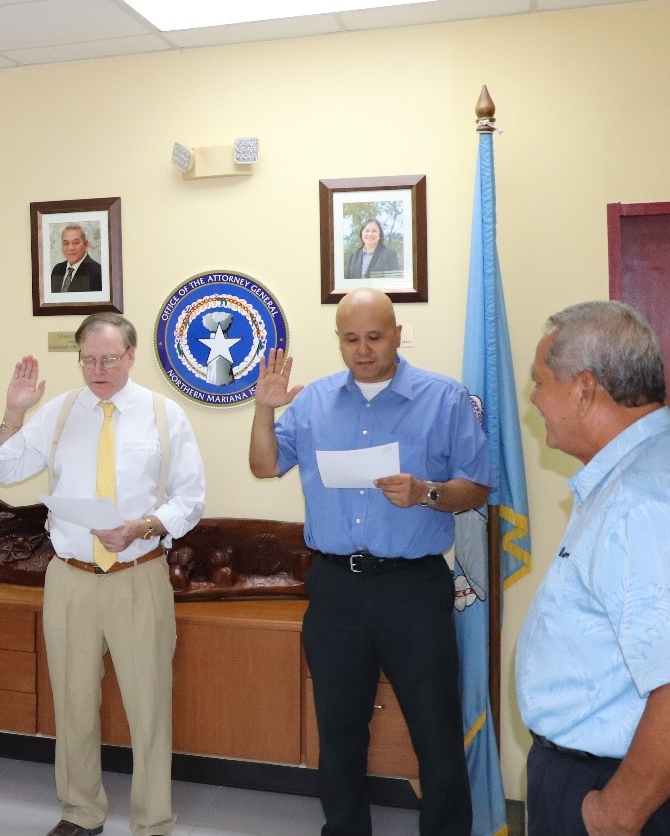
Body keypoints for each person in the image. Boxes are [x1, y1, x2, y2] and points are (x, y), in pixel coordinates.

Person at [247, 288, 490, 836]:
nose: (363, 350)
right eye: (350, 339)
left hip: (413, 589)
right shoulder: (312, 402)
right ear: (338, 340)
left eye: (375, 337)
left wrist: (427, 492)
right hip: (335, 588)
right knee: (339, 733)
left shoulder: (445, 398)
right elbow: (264, 466)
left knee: (435, 731)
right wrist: (264, 408)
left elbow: (475, 488)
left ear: (398, 334)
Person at [0, 312, 206, 836]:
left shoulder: (164, 415)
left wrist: (145, 525)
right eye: (88, 359)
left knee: (149, 705)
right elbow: (5, 469)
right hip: (70, 578)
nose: (97, 369)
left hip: (138, 575)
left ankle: (152, 820)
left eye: (109, 359)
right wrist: (14, 413)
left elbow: (191, 498)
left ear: (130, 356)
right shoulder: (61, 412)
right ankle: (81, 812)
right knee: (73, 701)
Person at [516, 301, 670, 835]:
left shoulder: (641, 502)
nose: (533, 400)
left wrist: (617, 813)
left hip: (614, 786)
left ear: (583, 389)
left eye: (539, 381)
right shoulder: (636, 473)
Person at [50, 224, 103, 293]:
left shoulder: (97, 272)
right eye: (66, 243)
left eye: (75, 243)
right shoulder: (57, 269)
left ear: (86, 244)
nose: (70, 248)